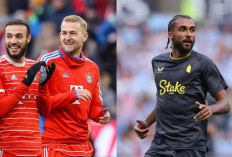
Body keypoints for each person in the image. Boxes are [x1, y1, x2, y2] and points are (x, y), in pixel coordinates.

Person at [134, 15, 230, 157]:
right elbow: (164, 99)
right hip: (160, 145)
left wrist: (211, 108)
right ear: (170, 35)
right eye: (183, 29)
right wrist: (147, 123)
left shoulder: (203, 63)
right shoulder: (158, 62)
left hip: (189, 147)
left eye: (192, 30)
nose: (188, 34)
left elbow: (225, 104)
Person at [37, 15, 110, 157]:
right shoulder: (46, 62)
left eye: (73, 33)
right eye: (64, 33)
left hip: (82, 146)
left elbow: (94, 106)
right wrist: (73, 95)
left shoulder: (92, 68)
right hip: (53, 144)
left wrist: (101, 115)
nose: (67, 38)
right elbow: (40, 105)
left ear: (85, 36)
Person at [0, 19, 54, 156]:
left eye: (18, 36)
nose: (13, 41)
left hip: (35, 149)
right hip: (8, 149)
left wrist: (43, 87)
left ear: (28, 38)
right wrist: (25, 83)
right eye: (9, 36)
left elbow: (45, 111)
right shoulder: (0, 67)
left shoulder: (34, 67)